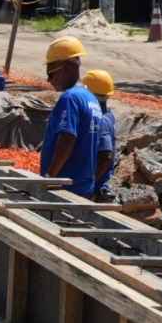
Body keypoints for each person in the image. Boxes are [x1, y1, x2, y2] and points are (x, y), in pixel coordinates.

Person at [40, 36, 103, 198]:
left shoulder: (70, 98)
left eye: (51, 73)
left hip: (64, 190)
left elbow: (67, 138)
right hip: (84, 188)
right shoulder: (91, 99)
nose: (49, 79)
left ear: (67, 67)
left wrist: (50, 177)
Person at [83, 69, 118, 202]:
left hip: (97, 189)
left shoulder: (101, 120)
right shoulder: (108, 115)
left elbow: (106, 156)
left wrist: (90, 183)